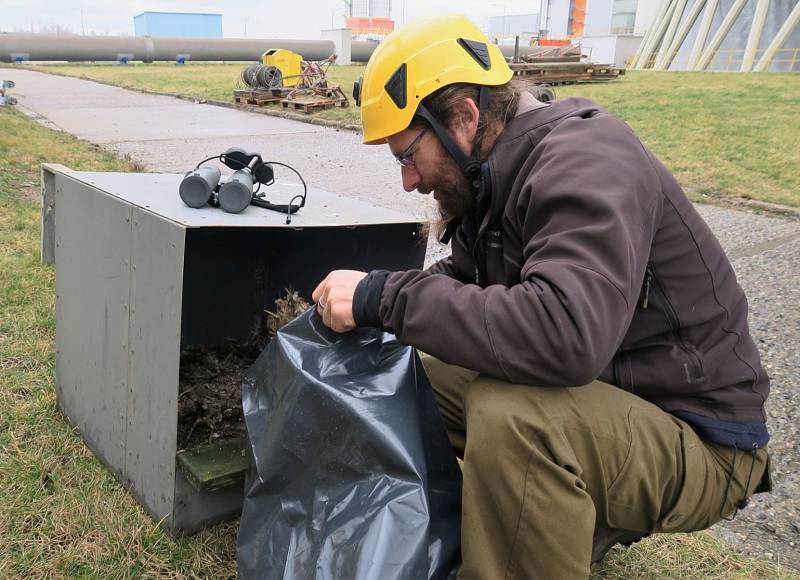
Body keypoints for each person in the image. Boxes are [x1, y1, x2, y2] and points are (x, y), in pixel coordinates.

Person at [312, 15, 772, 579]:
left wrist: (384, 298)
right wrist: (370, 298)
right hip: (612, 400)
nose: (409, 181)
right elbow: (459, 285)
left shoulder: (588, 157)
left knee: (515, 416)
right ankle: (470, 528)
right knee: (413, 376)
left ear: (463, 116)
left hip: (700, 437)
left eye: (407, 156)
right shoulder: (503, 174)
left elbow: (563, 336)